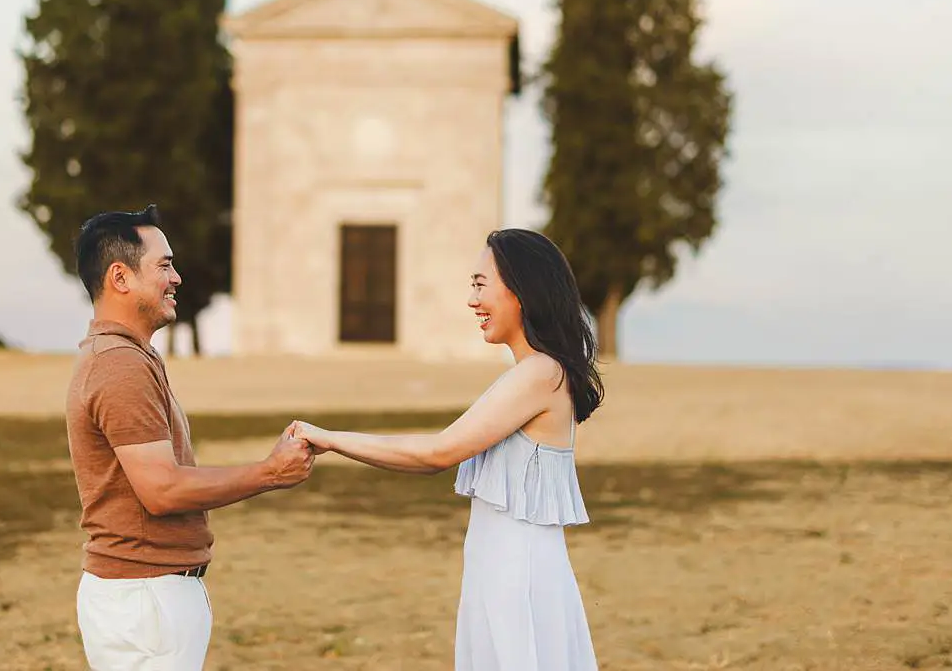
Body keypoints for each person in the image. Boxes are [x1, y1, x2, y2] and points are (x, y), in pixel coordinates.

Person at [293, 228, 605, 671]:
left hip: (520, 578)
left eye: (481, 284)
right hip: (500, 572)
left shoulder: (540, 374)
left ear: (522, 290)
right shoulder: (534, 373)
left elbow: (436, 454)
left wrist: (330, 438)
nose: (472, 300)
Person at [66, 205, 314, 671]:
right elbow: (161, 490)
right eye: (164, 265)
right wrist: (270, 472)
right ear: (120, 277)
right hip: (145, 599)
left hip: (149, 597)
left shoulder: (128, 356)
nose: (176, 277)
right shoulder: (118, 364)